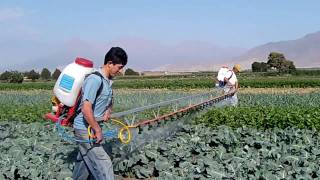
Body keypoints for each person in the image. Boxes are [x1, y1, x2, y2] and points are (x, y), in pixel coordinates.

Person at [72, 47, 128, 180]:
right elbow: (86, 109)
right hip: (85, 128)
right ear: (110, 63)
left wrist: (108, 110)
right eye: (119, 67)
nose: (120, 71)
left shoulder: (107, 81)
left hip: (91, 126)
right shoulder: (94, 80)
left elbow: (108, 98)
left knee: (84, 164)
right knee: (104, 163)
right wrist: (97, 129)